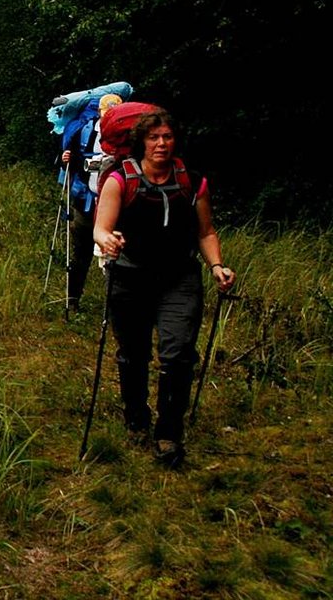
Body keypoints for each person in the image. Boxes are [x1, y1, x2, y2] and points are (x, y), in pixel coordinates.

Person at [92, 109, 235, 468]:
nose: (161, 144)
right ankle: (136, 415)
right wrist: (108, 241)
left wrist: (217, 266)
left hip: (179, 278)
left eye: (167, 137)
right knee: (134, 352)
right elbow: (100, 227)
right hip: (130, 276)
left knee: (178, 353)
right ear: (141, 141)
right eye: (154, 138)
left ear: (175, 140)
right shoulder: (119, 179)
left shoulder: (192, 181)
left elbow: (205, 232)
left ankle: (169, 433)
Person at [59, 93, 123, 310]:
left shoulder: (128, 137)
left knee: (114, 256)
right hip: (85, 200)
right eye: (107, 115)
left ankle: (114, 307)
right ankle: (72, 300)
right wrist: (65, 159)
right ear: (99, 113)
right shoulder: (84, 131)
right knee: (81, 253)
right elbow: (67, 160)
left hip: (116, 206)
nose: (109, 120)